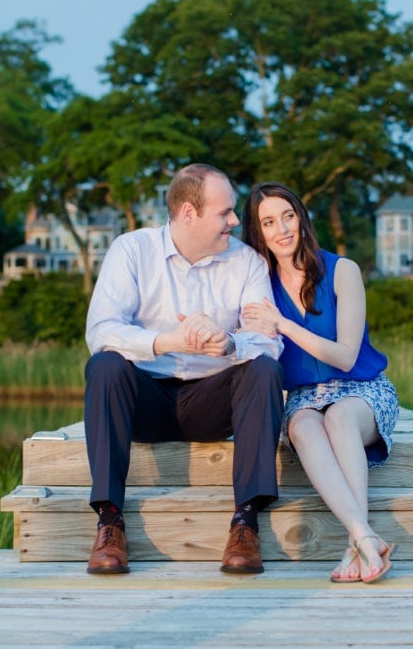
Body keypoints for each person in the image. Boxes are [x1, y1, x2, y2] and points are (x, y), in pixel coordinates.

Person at [83, 163, 284, 576]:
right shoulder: (132, 250)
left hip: (212, 399)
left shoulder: (246, 262)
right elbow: (101, 329)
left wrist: (230, 343)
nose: (234, 220)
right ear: (189, 214)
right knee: (104, 366)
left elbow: (268, 338)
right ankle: (109, 521)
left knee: (263, 368)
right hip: (146, 399)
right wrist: (172, 340)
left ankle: (246, 523)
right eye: (224, 212)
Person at [240, 181, 399, 584]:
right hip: (304, 398)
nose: (283, 230)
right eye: (269, 222)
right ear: (258, 233)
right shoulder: (259, 287)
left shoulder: (343, 270)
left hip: (362, 389)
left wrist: (284, 325)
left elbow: (345, 355)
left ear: (302, 218)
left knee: (340, 419)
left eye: (288, 216)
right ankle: (364, 537)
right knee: (304, 427)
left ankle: (354, 543)